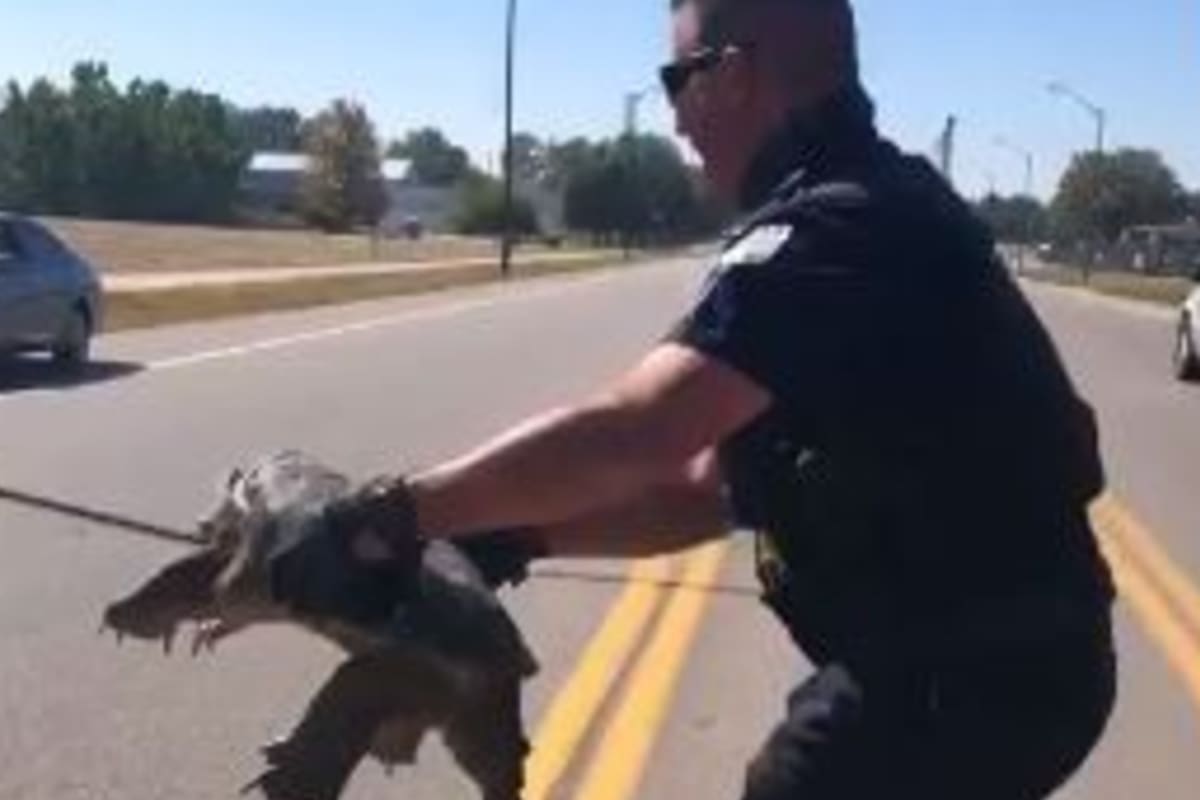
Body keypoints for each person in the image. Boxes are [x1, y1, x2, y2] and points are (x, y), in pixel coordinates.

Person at [268, 1, 1117, 797]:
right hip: (988, 662)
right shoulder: (857, 212)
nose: (674, 116)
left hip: (975, 672)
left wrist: (385, 516)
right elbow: (699, 491)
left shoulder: (841, 228)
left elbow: (641, 430)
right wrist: (512, 536)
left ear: (736, 73)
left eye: (680, 80)